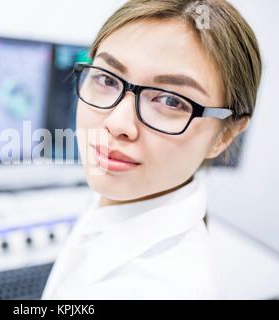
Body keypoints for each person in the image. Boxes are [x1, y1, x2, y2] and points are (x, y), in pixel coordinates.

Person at [42, 0, 262, 299]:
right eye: (106, 79)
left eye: (171, 101)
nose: (117, 123)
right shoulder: (124, 195)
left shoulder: (159, 289)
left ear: (225, 135)